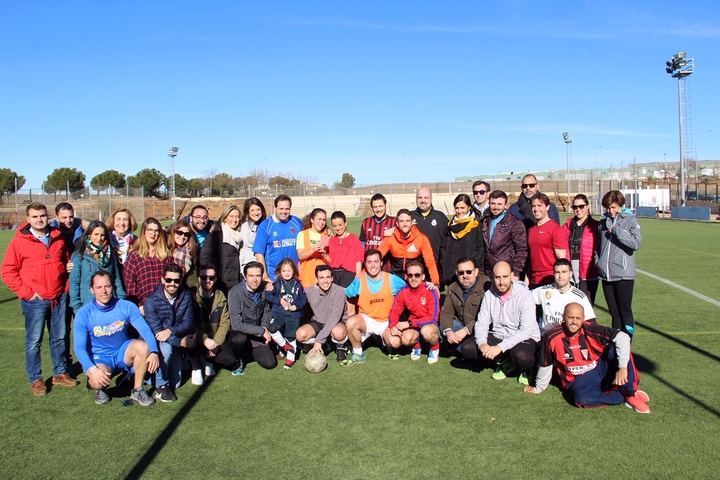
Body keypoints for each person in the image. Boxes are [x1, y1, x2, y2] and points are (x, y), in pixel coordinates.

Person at [1, 202, 78, 395]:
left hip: (59, 297)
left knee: (59, 338)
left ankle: (60, 373)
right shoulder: (19, 242)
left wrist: (65, 287)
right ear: (28, 219)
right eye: (35, 217)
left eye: (42, 215)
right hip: (35, 301)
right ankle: (35, 378)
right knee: (34, 340)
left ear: (47, 216)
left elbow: (66, 262)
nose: (39, 219)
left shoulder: (57, 236)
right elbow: (8, 271)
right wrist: (27, 292)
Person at [525, 303, 650, 414]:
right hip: (576, 380)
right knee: (581, 399)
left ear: (583, 319)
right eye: (570, 317)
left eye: (578, 318)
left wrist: (622, 367)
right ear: (563, 317)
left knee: (617, 347)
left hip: (599, 369)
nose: (574, 321)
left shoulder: (591, 329)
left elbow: (622, 337)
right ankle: (623, 396)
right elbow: (545, 363)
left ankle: (632, 393)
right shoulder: (551, 336)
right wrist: (539, 387)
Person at [73, 270, 159, 406]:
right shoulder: (84, 314)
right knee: (95, 382)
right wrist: (91, 369)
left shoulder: (127, 306)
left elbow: (145, 330)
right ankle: (101, 390)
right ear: (91, 290)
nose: (104, 291)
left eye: (107, 286)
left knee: (143, 347)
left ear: (113, 286)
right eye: (99, 287)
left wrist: (154, 351)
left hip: (122, 352)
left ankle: (137, 390)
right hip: (100, 356)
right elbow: (79, 347)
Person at [472, 261, 540, 385]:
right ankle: (505, 361)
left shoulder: (525, 295)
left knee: (522, 357)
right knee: (469, 349)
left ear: (512, 276)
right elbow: (482, 322)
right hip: (500, 335)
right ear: (493, 278)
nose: (501, 282)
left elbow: (525, 331)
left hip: (524, 339)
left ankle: (523, 368)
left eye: (505, 277)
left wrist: (499, 347)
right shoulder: (489, 295)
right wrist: (482, 343)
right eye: (497, 277)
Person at [344, 249, 406, 364]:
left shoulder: (392, 279)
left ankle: (381, 341)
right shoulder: (360, 280)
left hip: (387, 322)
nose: (373, 265)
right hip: (367, 320)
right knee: (351, 322)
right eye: (369, 262)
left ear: (381, 263)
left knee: (395, 342)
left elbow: (409, 291)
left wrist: (426, 284)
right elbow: (347, 293)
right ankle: (358, 353)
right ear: (365, 264)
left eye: (376, 261)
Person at [143, 263, 195, 402]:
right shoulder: (150, 301)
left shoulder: (186, 296)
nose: (173, 284)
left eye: (177, 280)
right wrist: (179, 341)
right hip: (156, 344)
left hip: (173, 339)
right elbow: (157, 333)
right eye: (169, 280)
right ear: (162, 280)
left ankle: (148, 376)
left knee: (176, 384)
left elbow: (188, 322)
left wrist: (171, 330)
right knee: (165, 348)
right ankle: (160, 386)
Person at [597, 190, 642, 336]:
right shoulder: (602, 222)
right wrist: (598, 262)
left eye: (613, 207)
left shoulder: (630, 220)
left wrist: (617, 231)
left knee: (625, 311)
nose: (610, 211)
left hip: (623, 274)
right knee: (614, 313)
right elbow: (598, 246)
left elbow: (636, 243)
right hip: (606, 274)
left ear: (620, 205)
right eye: (608, 207)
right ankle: (616, 342)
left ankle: (628, 341)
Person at [187, 264, 237, 385]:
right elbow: (189, 323)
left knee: (229, 360)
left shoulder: (220, 296)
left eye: (211, 277)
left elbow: (225, 322)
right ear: (199, 278)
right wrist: (205, 340)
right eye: (204, 277)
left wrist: (216, 342)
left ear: (215, 279)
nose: (207, 280)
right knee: (190, 340)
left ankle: (207, 360)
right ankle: (196, 368)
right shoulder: (191, 296)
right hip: (198, 338)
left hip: (214, 338)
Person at [383, 260, 441, 364]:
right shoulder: (403, 291)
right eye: (410, 275)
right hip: (414, 325)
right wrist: (392, 326)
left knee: (426, 332)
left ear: (423, 277)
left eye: (417, 275)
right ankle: (417, 346)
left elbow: (433, 318)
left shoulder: (430, 290)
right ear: (406, 277)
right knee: (405, 339)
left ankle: (434, 347)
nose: (413, 278)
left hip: (429, 325)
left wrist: (409, 323)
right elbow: (395, 311)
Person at [227, 261, 276, 373]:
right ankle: (238, 358)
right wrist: (261, 331)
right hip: (240, 333)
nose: (255, 279)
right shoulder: (235, 292)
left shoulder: (264, 289)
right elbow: (236, 324)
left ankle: (249, 352)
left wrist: (264, 327)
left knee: (270, 363)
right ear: (245, 277)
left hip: (257, 335)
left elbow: (267, 311)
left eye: (258, 276)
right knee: (239, 339)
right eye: (251, 276)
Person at [295, 265, 350, 363]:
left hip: (337, 322)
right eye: (321, 278)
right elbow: (295, 295)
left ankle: (341, 347)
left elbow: (334, 318)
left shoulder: (340, 291)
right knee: (300, 335)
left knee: (338, 333)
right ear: (316, 279)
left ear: (332, 278)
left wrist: (318, 341)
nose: (325, 281)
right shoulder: (310, 291)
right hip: (318, 322)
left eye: (328, 277)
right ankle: (326, 344)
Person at [69, 220, 126, 312]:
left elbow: (116, 279)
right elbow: (74, 282)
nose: (99, 238)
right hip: (87, 305)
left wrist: (122, 300)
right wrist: (77, 306)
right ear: (89, 235)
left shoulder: (110, 254)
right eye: (96, 234)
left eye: (102, 235)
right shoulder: (79, 255)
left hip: (111, 304)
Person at [439, 258, 486, 359]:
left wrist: (466, 330)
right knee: (441, 329)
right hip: (460, 326)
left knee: (468, 348)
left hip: (480, 328)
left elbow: (486, 318)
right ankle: (461, 348)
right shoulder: (452, 288)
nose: (465, 275)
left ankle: (462, 349)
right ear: (456, 273)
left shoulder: (486, 287)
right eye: (461, 273)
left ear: (476, 272)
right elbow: (446, 313)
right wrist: (448, 331)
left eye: (469, 272)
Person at [122, 217, 173, 311]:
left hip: (164, 306)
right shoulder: (134, 256)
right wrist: (138, 305)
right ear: (144, 232)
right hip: (143, 307)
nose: (153, 233)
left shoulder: (166, 256)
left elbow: (172, 280)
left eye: (156, 230)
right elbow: (130, 285)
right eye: (150, 229)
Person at [532, 258, 595, 333]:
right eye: (557, 272)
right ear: (554, 274)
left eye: (564, 272)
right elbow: (523, 298)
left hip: (566, 338)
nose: (560, 276)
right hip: (544, 336)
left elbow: (590, 321)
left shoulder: (579, 296)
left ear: (570, 274)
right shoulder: (544, 290)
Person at [378, 209, 440, 285]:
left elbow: (430, 262)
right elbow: (377, 257)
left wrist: (436, 283)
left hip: (415, 276)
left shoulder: (421, 238)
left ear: (412, 222)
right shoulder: (390, 238)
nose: (405, 224)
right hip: (397, 276)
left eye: (407, 221)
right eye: (401, 221)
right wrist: (364, 274)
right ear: (397, 223)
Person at [265, 258, 308, 368]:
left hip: (293, 316)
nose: (287, 273)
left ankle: (290, 358)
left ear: (294, 271)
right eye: (284, 271)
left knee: (290, 336)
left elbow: (303, 299)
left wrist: (296, 306)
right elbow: (268, 295)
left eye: (289, 270)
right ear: (279, 272)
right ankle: (285, 346)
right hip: (278, 313)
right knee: (272, 328)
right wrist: (278, 300)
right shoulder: (277, 283)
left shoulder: (298, 285)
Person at [253, 194, 303, 282]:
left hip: (295, 276)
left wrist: (326, 230)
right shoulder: (265, 225)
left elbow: (310, 233)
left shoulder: (296, 222)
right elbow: (259, 253)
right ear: (275, 208)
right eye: (281, 208)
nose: (284, 212)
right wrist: (264, 276)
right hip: (274, 277)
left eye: (287, 209)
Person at [562, 194, 600, 305]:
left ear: (587, 207)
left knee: (586, 306)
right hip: (570, 269)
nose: (578, 210)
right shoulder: (567, 226)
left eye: (581, 206)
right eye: (575, 207)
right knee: (571, 306)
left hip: (589, 271)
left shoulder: (595, 226)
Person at [439, 194, 483, 287]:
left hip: (467, 272)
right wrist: (444, 262)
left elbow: (480, 249)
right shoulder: (450, 225)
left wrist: (472, 266)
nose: (459, 211)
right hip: (451, 272)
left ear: (469, 208)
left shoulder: (475, 225)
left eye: (462, 208)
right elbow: (443, 247)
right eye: (457, 208)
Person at [482, 190, 527, 280]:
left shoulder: (514, 223)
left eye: (499, 204)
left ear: (506, 205)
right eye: (493, 203)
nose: (495, 207)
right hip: (489, 272)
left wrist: (516, 271)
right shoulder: (485, 221)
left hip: (506, 272)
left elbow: (521, 249)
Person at [199, 204, 244, 293]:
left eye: (237, 217)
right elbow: (205, 257)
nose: (234, 220)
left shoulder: (239, 235)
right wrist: (213, 277)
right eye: (231, 216)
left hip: (236, 282)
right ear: (225, 218)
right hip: (221, 283)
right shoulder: (216, 234)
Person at [527, 193, 567, 287]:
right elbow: (531, 256)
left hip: (549, 279)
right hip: (533, 280)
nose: (536, 209)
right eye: (533, 206)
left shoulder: (555, 229)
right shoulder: (531, 230)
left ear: (547, 207)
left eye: (539, 205)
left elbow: (562, 259)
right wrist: (527, 276)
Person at [411, 187, 448, 266]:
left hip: (436, 266)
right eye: (420, 197)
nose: (423, 200)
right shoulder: (409, 216)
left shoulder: (441, 217)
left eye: (426, 197)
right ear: (416, 199)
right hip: (414, 268)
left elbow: (447, 243)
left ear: (431, 199)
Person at [327, 210, 363, 287]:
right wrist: (323, 254)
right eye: (335, 226)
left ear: (345, 223)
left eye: (340, 225)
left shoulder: (353, 238)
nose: (338, 228)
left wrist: (358, 275)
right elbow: (331, 261)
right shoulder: (331, 240)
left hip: (349, 275)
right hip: (335, 276)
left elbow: (358, 259)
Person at [296, 208, 330, 288]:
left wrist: (324, 254)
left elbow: (330, 260)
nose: (321, 222)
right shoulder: (302, 234)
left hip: (322, 276)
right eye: (319, 219)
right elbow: (300, 256)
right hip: (307, 276)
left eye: (324, 220)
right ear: (312, 220)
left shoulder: (325, 235)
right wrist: (313, 250)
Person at [359, 193, 395, 257]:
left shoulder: (394, 222)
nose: (378, 210)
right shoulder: (366, 222)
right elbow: (362, 243)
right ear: (372, 208)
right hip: (369, 263)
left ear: (385, 205)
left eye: (380, 206)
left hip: (387, 264)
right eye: (375, 207)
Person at [167, 219, 199, 287]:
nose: (182, 237)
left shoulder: (191, 250)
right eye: (179, 232)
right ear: (174, 232)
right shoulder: (165, 247)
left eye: (186, 234)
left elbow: (192, 276)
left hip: (182, 287)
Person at [239, 197, 267, 274]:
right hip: (248, 264)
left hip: (263, 264)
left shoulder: (266, 225)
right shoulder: (243, 226)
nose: (256, 213)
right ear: (248, 212)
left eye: (258, 209)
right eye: (252, 210)